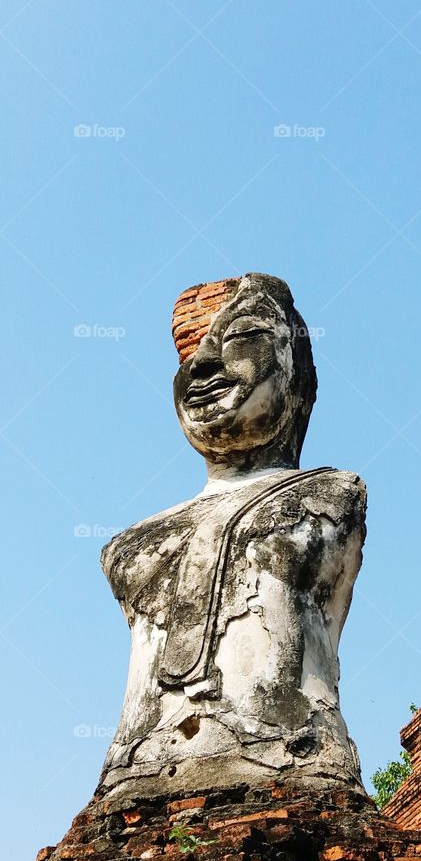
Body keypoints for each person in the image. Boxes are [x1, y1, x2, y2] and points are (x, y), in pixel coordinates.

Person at [99, 274, 365, 804]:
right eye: (188, 352)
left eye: (240, 335)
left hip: (290, 765)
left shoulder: (331, 495)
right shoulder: (132, 542)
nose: (200, 364)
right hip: (133, 782)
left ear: (297, 374)